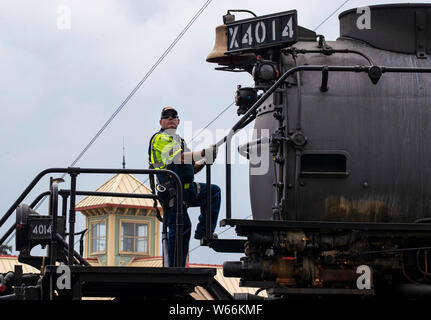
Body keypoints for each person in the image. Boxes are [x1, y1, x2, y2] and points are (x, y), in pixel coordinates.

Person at [148, 106, 221, 267]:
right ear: (161, 122)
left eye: (174, 116)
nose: (171, 118)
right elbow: (179, 158)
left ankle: (205, 232)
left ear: (178, 121)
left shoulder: (179, 141)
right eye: (166, 116)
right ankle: (175, 268)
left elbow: (191, 166)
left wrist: (205, 161)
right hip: (173, 191)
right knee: (178, 229)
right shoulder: (160, 138)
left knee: (213, 192)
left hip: (186, 189)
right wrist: (203, 153)